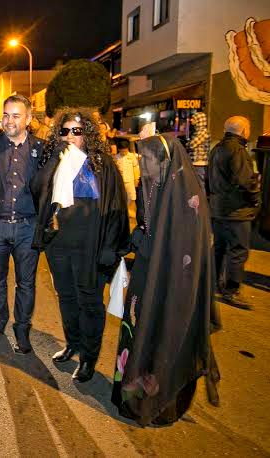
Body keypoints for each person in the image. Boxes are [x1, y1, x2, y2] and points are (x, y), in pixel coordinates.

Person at [112, 134, 220, 426]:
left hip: (171, 286)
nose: (141, 163)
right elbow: (147, 228)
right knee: (139, 333)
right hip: (147, 277)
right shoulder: (152, 187)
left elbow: (185, 252)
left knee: (164, 338)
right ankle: (132, 397)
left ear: (164, 162)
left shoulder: (187, 199)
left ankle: (161, 405)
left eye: (146, 159)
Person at [31, 108, 130, 382]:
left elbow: (117, 208)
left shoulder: (102, 164)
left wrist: (110, 247)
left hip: (91, 245)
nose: (71, 136)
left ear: (88, 133)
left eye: (77, 131)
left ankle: (88, 358)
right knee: (66, 296)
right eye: (65, 131)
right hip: (59, 244)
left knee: (89, 301)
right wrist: (53, 160)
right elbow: (36, 190)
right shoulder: (55, 160)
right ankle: (72, 343)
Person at [0, 95, 44, 354]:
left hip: (28, 228)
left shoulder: (41, 149)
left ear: (28, 118)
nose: (9, 120)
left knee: (26, 284)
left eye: (16, 115)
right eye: (5, 115)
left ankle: (22, 331)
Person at [207, 115, 261, 310]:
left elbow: (209, 179)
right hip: (236, 211)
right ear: (244, 131)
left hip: (218, 209)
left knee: (219, 248)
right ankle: (231, 290)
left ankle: (212, 284)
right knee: (238, 251)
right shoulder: (237, 150)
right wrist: (256, 199)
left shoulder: (216, 149)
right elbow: (246, 181)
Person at [114, 139, 140, 204]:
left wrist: (136, 179)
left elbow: (135, 168)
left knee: (131, 197)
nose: (124, 153)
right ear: (119, 150)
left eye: (125, 151)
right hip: (120, 181)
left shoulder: (132, 156)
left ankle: (130, 209)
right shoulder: (116, 158)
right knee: (121, 197)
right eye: (122, 151)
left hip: (130, 181)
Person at [187, 112, 210, 186]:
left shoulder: (203, 132)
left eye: (193, 118)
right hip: (196, 162)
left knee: (199, 184)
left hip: (199, 163)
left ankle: (201, 194)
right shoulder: (197, 131)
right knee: (196, 184)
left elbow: (192, 144)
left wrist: (187, 144)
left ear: (199, 120)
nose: (191, 120)